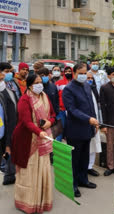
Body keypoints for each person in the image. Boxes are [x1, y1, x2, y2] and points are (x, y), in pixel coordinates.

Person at [11, 74, 56, 214]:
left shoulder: (44, 96)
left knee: (43, 170)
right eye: (36, 83)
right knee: (28, 172)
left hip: (43, 137)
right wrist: (39, 132)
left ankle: (42, 200)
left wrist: (50, 122)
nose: (39, 85)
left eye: (40, 82)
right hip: (27, 139)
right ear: (30, 85)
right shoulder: (24, 99)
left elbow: (53, 114)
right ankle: (27, 202)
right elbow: (26, 121)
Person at [62, 63, 98, 198]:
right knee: (75, 159)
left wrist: (94, 120)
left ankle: (83, 180)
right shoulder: (68, 89)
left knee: (84, 157)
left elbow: (91, 106)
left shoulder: (87, 85)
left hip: (88, 128)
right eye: (81, 73)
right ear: (74, 73)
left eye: (85, 73)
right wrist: (88, 119)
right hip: (75, 130)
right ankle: (73, 184)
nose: (83, 76)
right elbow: (72, 110)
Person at [0, 70, 18, 185]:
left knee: (10, 150)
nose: (8, 74)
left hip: (9, 126)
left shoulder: (10, 88)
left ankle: (10, 174)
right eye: (6, 72)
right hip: (3, 129)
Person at [86, 72, 101, 177]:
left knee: (93, 145)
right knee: (85, 147)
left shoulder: (94, 90)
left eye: (91, 78)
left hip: (95, 122)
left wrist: (98, 121)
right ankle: (83, 167)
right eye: (88, 78)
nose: (90, 80)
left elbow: (98, 108)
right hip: (84, 122)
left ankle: (90, 167)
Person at [55, 66, 73, 141]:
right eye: (66, 72)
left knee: (71, 132)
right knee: (59, 132)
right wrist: (57, 106)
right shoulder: (58, 83)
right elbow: (55, 96)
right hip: (61, 110)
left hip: (72, 111)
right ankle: (56, 151)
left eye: (69, 71)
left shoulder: (75, 83)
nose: (68, 73)